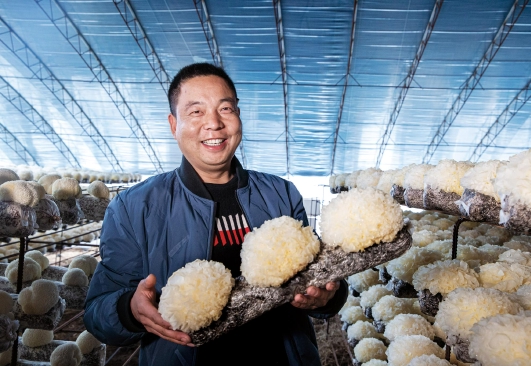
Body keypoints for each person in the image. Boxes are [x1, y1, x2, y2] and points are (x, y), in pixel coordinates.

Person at [84, 63, 347, 365]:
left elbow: (324, 276)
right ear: (174, 125)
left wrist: (329, 297)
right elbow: (97, 313)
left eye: (226, 109)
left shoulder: (280, 194)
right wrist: (129, 310)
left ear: (238, 116)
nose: (214, 123)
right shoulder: (134, 208)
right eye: (196, 111)